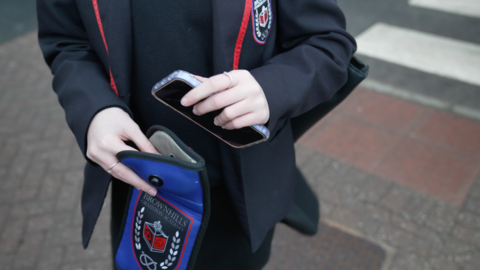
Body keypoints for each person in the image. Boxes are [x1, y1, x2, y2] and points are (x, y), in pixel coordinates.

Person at [37, 0, 356, 269]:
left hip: (238, 195)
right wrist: (95, 110)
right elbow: (67, 41)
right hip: (140, 180)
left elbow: (329, 43)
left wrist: (271, 88)